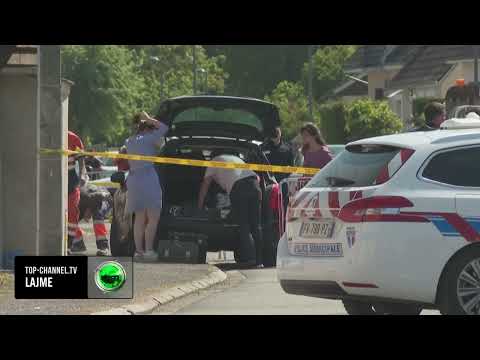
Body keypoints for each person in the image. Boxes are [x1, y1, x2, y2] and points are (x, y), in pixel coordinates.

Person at [198, 152, 263, 268]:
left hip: (239, 188)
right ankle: (259, 261)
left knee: (244, 225)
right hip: (255, 186)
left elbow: (205, 185)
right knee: (256, 225)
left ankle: (250, 259)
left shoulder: (212, 162)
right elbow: (257, 177)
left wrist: (199, 206)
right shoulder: (237, 159)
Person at [124, 111, 168, 262]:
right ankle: (149, 250)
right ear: (149, 128)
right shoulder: (150, 138)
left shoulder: (129, 141)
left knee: (139, 218)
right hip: (148, 177)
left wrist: (145, 121)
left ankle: (139, 251)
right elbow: (164, 129)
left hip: (134, 179)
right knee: (153, 217)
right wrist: (150, 119)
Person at [68, 130, 89, 254]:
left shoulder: (73, 138)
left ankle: (69, 245)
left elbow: (81, 160)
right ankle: (78, 242)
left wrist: (82, 175)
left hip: (70, 180)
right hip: (51, 179)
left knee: (72, 212)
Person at [78, 184, 113, 256]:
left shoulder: (90, 197)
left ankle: (103, 247)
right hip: (91, 199)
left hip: (105, 198)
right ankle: (78, 244)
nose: (86, 219)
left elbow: (103, 195)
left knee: (97, 215)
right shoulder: (78, 205)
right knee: (73, 221)